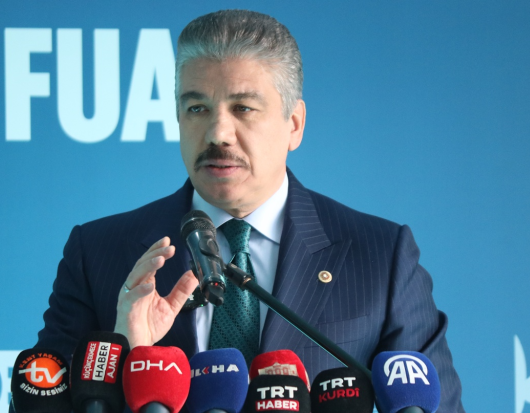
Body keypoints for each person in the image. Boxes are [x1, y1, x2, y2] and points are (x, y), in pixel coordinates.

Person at [36, 10, 465, 411]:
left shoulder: (381, 255)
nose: (218, 133)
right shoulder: (99, 253)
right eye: (197, 108)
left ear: (294, 124)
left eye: (243, 108)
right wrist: (126, 353)